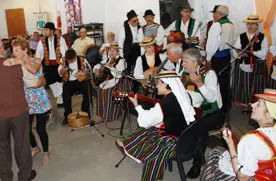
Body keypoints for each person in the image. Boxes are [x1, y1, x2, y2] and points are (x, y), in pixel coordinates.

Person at [116, 70, 196, 181]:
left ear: (166, 84)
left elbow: (144, 122)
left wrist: (136, 105)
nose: (156, 86)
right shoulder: (183, 94)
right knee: (151, 128)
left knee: (150, 145)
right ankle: (129, 145)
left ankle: (148, 169)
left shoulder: (165, 103)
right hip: (186, 134)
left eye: (158, 82)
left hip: (175, 140)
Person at [0, 38, 37, 181]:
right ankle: (25, 175)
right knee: (22, 144)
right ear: (1, 49)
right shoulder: (14, 64)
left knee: (2, 147)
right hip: (18, 112)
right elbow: (32, 83)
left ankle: (5, 177)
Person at [201, 88, 276, 181]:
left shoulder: (252, 139)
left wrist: (230, 144)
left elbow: (243, 177)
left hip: (251, 178)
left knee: (215, 153)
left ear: (269, 114)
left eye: (259, 104)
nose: (252, 105)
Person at [5, 39, 51, 166]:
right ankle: (35, 147)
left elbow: (34, 70)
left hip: (39, 99)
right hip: (26, 99)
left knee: (41, 129)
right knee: (26, 129)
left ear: (25, 50)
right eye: (13, 50)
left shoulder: (36, 60)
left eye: (16, 50)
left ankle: (46, 151)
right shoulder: (16, 64)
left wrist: (22, 61)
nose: (14, 53)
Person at [181, 48, 224, 178]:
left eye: (185, 62)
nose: (182, 64)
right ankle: (184, 151)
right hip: (196, 109)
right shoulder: (185, 72)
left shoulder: (209, 74)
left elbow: (211, 98)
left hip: (213, 112)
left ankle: (197, 164)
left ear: (195, 63)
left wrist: (199, 83)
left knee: (199, 129)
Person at [232, 14, 268, 115]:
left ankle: (257, 107)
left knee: (257, 87)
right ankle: (246, 105)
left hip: (257, 67)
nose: (250, 26)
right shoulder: (241, 36)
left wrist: (252, 53)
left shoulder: (262, 37)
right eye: (248, 24)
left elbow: (264, 54)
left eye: (253, 24)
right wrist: (238, 54)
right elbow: (235, 50)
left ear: (257, 25)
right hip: (244, 65)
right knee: (244, 86)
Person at [205, 5, 235, 116]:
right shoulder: (231, 25)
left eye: (215, 13)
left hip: (217, 57)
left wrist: (208, 58)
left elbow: (212, 44)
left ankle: (219, 108)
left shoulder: (217, 25)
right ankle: (226, 107)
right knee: (225, 82)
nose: (213, 15)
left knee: (216, 82)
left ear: (220, 14)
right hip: (226, 57)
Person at [93, 43, 131, 121]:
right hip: (109, 81)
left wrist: (111, 67)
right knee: (99, 90)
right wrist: (96, 69)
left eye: (114, 50)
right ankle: (103, 113)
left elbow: (120, 72)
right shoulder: (108, 59)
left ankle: (112, 115)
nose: (111, 52)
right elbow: (97, 65)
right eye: (110, 50)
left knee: (110, 92)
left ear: (118, 52)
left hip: (119, 81)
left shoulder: (121, 60)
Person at [36, 22, 68, 107]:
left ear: (52, 31)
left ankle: (61, 100)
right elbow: (39, 54)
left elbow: (65, 53)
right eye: (44, 30)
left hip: (58, 64)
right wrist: (37, 64)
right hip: (48, 65)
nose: (44, 32)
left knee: (59, 82)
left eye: (46, 30)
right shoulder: (42, 41)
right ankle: (58, 98)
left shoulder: (60, 39)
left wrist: (63, 66)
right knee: (50, 82)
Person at [58, 49, 90, 125]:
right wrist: (63, 69)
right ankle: (67, 115)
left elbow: (88, 71)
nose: (69, 62)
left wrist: (83, 73)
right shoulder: (63, 60)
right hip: (68, 81)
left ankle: (86, 111)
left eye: (71, 60)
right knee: (65, 95)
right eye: (68, 60)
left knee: (86, 91)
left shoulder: (82, 59)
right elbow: (60, 73)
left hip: (80, 80)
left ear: (75, 57)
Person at [118, 9, 144, 74]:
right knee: (128, 66)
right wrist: (121, 55)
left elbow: (141, 40)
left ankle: (136, 75)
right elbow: (120, 42)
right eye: (134, 21)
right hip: (127, 50)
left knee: (138, 63)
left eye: (137, 20)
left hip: (137, 48)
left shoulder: (139, 28)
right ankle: (129, 74)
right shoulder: (124, 28)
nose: (136, 22)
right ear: (129, 21)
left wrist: (142, 52)